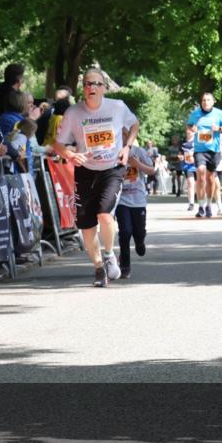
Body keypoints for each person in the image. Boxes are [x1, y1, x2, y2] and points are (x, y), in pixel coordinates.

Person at [54, 67, 139, 287]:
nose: (91, 88)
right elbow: (58, 143)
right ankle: (99, 268)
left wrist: (127, 147)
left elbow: (134, 124)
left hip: (112, 169)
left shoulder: (117, 107)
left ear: (104, 88)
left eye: (96, 84)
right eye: (87, 84)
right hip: (85, 172)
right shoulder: (73, 113)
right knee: (86, 224)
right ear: (83, 89)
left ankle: (110, 254)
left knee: (104, 215)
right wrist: (71, 155)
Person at [186, 92, 222, 218]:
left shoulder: (218, 113)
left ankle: (209, 206)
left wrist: (218, 128)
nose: (205, 102)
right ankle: (200, 206)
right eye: (203, 100)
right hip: (200, 150)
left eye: (208, 100)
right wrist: (192, 129)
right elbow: (189, 125)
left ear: (213, 102)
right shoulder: (196, 113)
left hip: (214, 150)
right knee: (201, 172)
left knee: (211, 178)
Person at [115, 142, 155, 280]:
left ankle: (140, 241)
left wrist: (136, 163)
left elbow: (151, 170)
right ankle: (125, 266)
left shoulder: (139, 152)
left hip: (138, 199)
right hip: (121, 199)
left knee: (139, 231)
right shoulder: (113, 150)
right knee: (125, 232)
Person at [180, 128, 197, 210]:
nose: (188, 132)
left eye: (190, 131)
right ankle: (191, 203)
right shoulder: (183, 142)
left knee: (198, 184)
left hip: (197, 165)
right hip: (187, 165)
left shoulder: (197, 140)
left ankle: (199, 198)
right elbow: (180, 153)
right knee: (190, 183)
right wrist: (180, 157)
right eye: (187, 131)